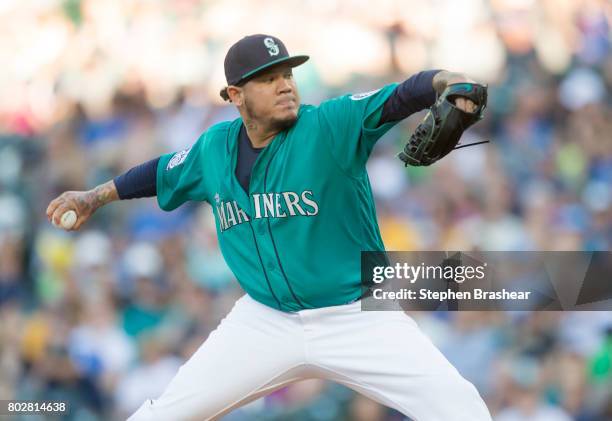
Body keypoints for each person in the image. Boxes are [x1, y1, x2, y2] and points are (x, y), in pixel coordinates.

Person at [47, 34, 492, 420]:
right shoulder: (214, 148)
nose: (284, 85)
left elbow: (403, 95)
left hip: (356, 316)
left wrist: (448, 81)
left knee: (461, 409)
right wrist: (94, 196)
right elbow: (161, 171)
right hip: (264, 321)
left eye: (288, 75)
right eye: (268, 78)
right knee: (167, 413)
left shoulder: (328, 126)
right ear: (235, 95)